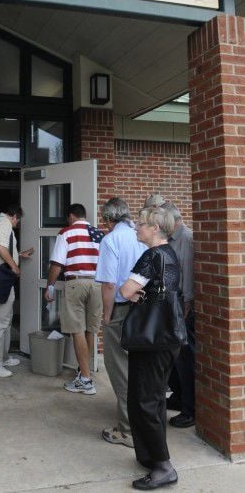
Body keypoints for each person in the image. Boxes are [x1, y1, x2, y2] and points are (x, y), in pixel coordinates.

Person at [120, 206, 181, 490]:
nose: (137, 228)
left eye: (141, 224)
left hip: (151, 339)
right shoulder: (170, 255)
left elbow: (125, 290)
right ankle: (152, 457)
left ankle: (162, 466)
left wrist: (134, 295)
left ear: (155, 228)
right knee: (152, 400)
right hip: (164, 338)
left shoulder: (152, 255)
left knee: (145, 401)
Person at [95, 198, 146, 447]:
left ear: (107, 219)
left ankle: (127, 429)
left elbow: (108, 283)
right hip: (144, 308)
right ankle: (143, 421)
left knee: (119, 368)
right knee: (138, 367)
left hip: (120, 309)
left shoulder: (111, 240)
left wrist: (106, 315)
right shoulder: (140, 236)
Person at [45, 203, 103, 395]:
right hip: (97, 284)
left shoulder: (67, 233)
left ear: (71, 216)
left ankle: (85, 380)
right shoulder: (98, 233)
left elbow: (57, 264)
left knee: (77, 329)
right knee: (89, 329)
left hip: (76, 282)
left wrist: (50, 286)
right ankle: (84, 371)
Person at [0, 205, 33, 378]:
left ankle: (2, 358)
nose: (17, 224)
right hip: (1, 279)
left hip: (0, 278)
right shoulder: (3, 223)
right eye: (17, 220)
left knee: (4, 320)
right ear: (13, 216)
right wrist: (14, 266)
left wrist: (19, 255)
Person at [161, 201, 195, 428]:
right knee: (171, 357)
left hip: (184, 307)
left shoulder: (187, 239)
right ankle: (178, 396)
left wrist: (186, 308)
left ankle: (190, 410)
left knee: (185, 359)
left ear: (173, 220)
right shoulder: (172, 239)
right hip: (172, 304)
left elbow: (189, 275)